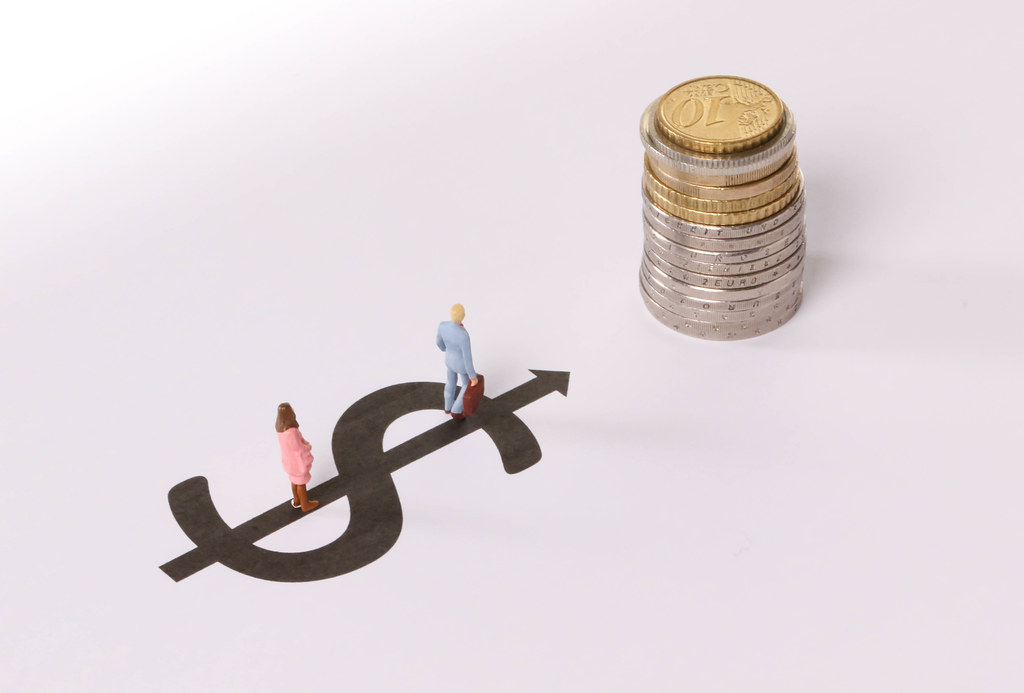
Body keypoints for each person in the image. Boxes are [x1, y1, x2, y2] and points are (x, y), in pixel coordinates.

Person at [436, 303, 478, 420]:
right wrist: (473, 376)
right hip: (461, 365)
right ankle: (456, 410)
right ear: (463, 315)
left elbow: (438, 342)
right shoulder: (463, 335)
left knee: (450, 383)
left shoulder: (442, 326)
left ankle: (447, 407)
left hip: (449, 360)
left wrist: (446, 349)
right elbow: (467, 358)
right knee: (465, 385)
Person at [275, 403, 319, 512]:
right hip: (297, 461)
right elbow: (297, 447)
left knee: (294, 480)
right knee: (301, 482)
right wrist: (307, 446)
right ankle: (305, 504)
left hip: (288, 461)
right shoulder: (291, 431)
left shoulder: (280, 430)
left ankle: (297, 500)